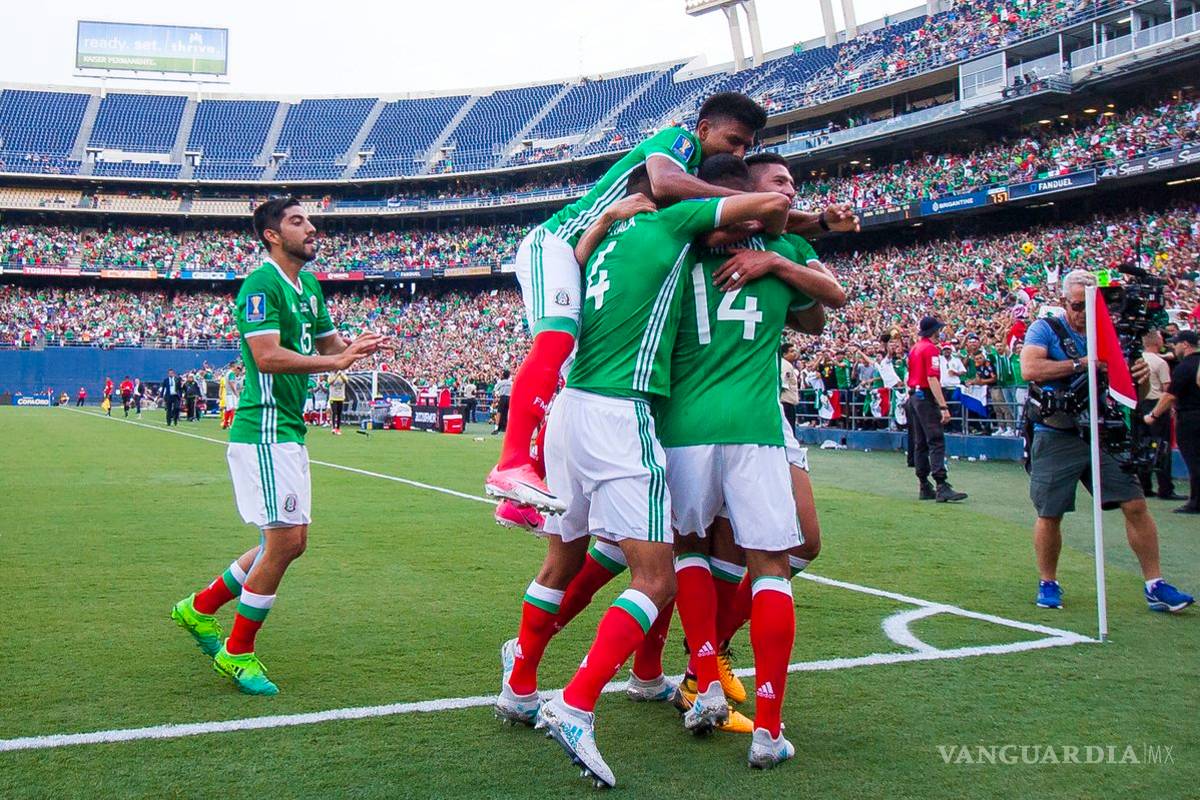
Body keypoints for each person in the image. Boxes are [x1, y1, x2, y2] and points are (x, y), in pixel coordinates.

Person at [499, 163, 792, 788]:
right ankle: (575, 703)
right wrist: (788, 225)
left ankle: (521, 684)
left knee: (564, 556)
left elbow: (575, 262)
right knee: (656, 578)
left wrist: (604, 216)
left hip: (569, 409)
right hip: (620, 409)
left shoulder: (608, 237)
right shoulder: (677, 219)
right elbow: (759, 206)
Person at [485, 91, 857, 513]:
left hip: (588, 258)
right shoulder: (679, 142)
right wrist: (733, 198)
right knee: (558, 339)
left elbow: (758, 217)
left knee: (574, 373)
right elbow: (664, 181)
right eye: (734, 140)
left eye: (746, 148)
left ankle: (523, 489)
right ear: (703, 130)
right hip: (556, 242)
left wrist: (821, 222)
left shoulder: (694, 182)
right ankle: (511, 462)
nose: (738, 152)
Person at [653, 153, 846, 765]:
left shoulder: (680, 247)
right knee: (771, 563)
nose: (787, 194)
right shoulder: (778, 249)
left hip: (683, 423)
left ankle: (704, 679)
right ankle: (767, 726)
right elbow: (829, 304)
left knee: (689, 550)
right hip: (756, 425)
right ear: (750, 197)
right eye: (777, 186)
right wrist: (780, 259)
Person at [171, 197, 386, 695]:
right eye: (297, 221)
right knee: (286, 541)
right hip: (264, 429)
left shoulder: (307, 285)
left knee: (289, 541)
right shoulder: (260, 284)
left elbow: (330, 346)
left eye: (309, 219)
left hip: (287, 430)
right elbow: (265, 357)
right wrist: (334, 364)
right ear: (272, 235)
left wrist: (355, 348)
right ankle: (237, 650)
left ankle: (200, 608)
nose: (311, 227)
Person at [1020, 270, 1192, 612]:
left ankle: (1154, 584)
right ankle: (1048, 581)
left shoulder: (1114, 335)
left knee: (1135, 504)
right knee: (1051, 511)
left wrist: (1137, 378)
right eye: (1077, 305)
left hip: (1104, 430)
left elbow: (1131, 392)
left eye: (1091, 305)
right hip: (1058, 432)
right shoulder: (1046, 328)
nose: (1084, 313)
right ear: (1063, 302)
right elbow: (1030, 369)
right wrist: (1084, 363)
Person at [906, 317, 968, 502]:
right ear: (934, 331)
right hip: (925, 396)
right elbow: (932, 378)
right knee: (935, 439)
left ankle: (924, 484)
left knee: (920, 442)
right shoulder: (931, 349)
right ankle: (941, 484)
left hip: (913, 396)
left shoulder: (915, 347)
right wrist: (943, 406)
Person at [1142, 330, 1200, 514]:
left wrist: (1153, 415)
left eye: (1176, 344)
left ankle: (1196, 502)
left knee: (1193, 460)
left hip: (1190, 417)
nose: (1173, 348)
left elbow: (1169, 395)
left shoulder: (1185, 367)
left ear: (1185, 345)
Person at [1134, 330, 1180, 500]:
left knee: (1142, 444)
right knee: (1162, 446)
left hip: (1140, 403)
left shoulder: (1138, 360)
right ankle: (1165, 487)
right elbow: (1167, 388)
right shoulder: (1160, 363)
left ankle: (1144, 485)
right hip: (1156, 404)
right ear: (1157, 342)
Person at [780, 342, 800, 430]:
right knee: (790, 429)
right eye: (791, 351)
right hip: (786, 401)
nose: (794, 353)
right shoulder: (786, 365)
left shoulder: (785, 364)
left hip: (786, 401)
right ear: (784, 354)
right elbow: (783, 383)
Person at [492, 370, 512, 435]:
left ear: (503, 375)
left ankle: (496, 429)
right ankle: (509, 429)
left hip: (502, 397)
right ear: (509, 376)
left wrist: (496, 398)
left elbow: (494, 391)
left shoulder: (501, 382)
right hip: (509, 398)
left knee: (499, 413)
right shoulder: (511, 383)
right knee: (509, 413)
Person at [328, 369, 347, 435]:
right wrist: (336, 376)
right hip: (333, 397)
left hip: (341, 397)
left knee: (339, 413)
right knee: (334, 412)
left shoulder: (342, 374)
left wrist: (341, 375)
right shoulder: (331, 375)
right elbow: (330, 382)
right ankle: (333, 428)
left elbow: (346, 381)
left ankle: (338, 429)